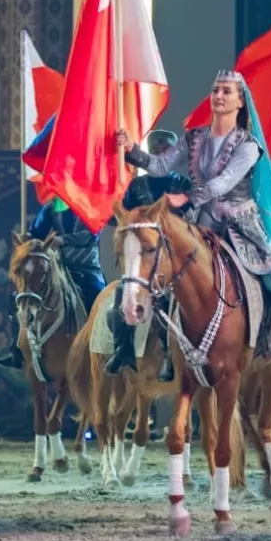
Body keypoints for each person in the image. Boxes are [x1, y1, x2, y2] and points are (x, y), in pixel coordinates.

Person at [116, 69, 271, 359]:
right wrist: (132, 150)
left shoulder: (248, 145)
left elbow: (223, 182)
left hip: (241, 223)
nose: (219, 96)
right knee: (168, 271)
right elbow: (161, 165)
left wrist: (188, 196)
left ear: (240, 101)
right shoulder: (194, 138)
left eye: (227, 91)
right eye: (215, 90)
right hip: (202, 223)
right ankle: (168, 347)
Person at [103, 129, 193, 381]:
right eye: (155, 150)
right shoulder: (136, 186)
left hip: (174, 257)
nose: (160, 154)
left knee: (174, 300)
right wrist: (111, 207)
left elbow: (193, 219)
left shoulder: (183, 185)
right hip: (144, 256)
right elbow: (119, 217)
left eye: (165, 151)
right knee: (121, 297)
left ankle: (170, 354)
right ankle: (123, 349)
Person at [0, 194, 108, 372]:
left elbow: (91, 236)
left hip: (85, 267)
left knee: (100, 298)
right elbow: (37, 231)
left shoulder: (90, 204)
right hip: (57, 266)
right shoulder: (53, 205)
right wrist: (27, 238)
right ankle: (16, 350)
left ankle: (104, 351)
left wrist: (64, 240)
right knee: (20, 296)